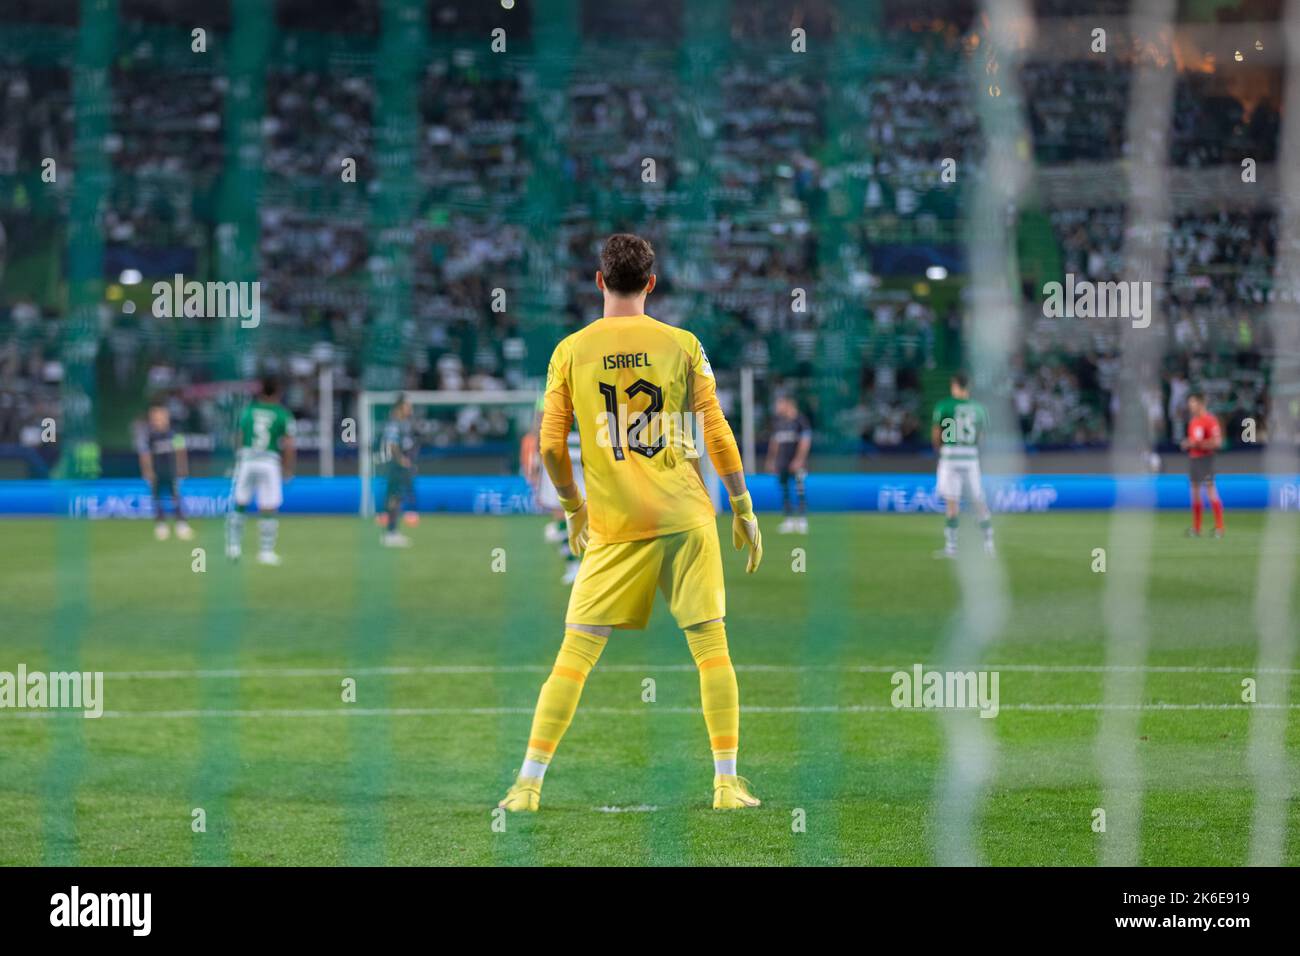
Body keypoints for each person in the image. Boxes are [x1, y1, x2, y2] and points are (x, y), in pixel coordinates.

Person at [498, 233, 763, 813]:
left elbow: (548, 447)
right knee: (711, 647)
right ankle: (725, 784)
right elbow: (715, 431)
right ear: (651, 283)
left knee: (575, 656)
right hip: (685, 515)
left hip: (615, 526)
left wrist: (574, 509)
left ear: (598, 281)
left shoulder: (570, 350)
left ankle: (527, 785)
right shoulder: (683, 344)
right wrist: (742, 505)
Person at [226, 375, 295, 565]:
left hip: (247, 460)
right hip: (269, 462)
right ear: (278, 392)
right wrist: (288, 469)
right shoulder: (282, 414)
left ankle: (233, 546)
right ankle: (266, 552)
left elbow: (239, 436)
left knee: (240, 502)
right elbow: (289, 444)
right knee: (269, 506)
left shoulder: (248, 411)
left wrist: (237, 460)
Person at [931, 372, 994, 558]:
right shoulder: (980, 409)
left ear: (954, 385)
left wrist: (939, 450)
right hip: (971, 457)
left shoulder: (945, 406)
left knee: (952, 501)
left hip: (951, 457)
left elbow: (937, 433)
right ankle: (989, 543)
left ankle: (951, 547)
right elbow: (983, 437)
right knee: (978, 500)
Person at [136, 401, 192, 541]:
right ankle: (161, 525)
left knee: (175, 497)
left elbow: (181, 452)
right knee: (157, 498)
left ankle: (181, 525)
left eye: (161, 417)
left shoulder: (174, 433)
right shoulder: (150, 436)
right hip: (156, 473)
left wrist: (182, 468)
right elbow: (145, 455)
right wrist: (147, 471)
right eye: (156, 417)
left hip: (171, 471)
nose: (159, 420)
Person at [765, 394, 811, 533]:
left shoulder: (801, 421)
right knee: (784, 490)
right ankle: (789, 519)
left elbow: (805, 442)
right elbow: (775, 443)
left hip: (797, 463)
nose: (778, 407)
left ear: (788, 404)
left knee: (799, 489)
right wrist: (771, 460)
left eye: (780, 404)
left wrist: (799, 460)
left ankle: (802, 520)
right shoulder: (779, 422)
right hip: (782, 462)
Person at [1181, 392, 1224, 538]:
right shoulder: (1193, 422)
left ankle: (1219, 528)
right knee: (1195, 494)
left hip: (1206, 460)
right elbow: (1193, 440)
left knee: (1211, 491)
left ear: (1200, 404)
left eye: (1192, 403)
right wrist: (1188, 444)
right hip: (1194, 459)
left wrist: (1197, 444)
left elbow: (1217, 443)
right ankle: (1197, 528)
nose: (1190, 406)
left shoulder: (1210, 421)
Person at [380, 395, 416, 548]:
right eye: (408, 406)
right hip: (395, 467)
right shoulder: (394, 424)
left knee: (398, 496)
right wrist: (401, 460)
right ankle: (391, 533)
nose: (410, 409)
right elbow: (392, 444)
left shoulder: (403, 424)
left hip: (399, 466)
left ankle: (393, 531)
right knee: (394, 496)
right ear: (400, 407)